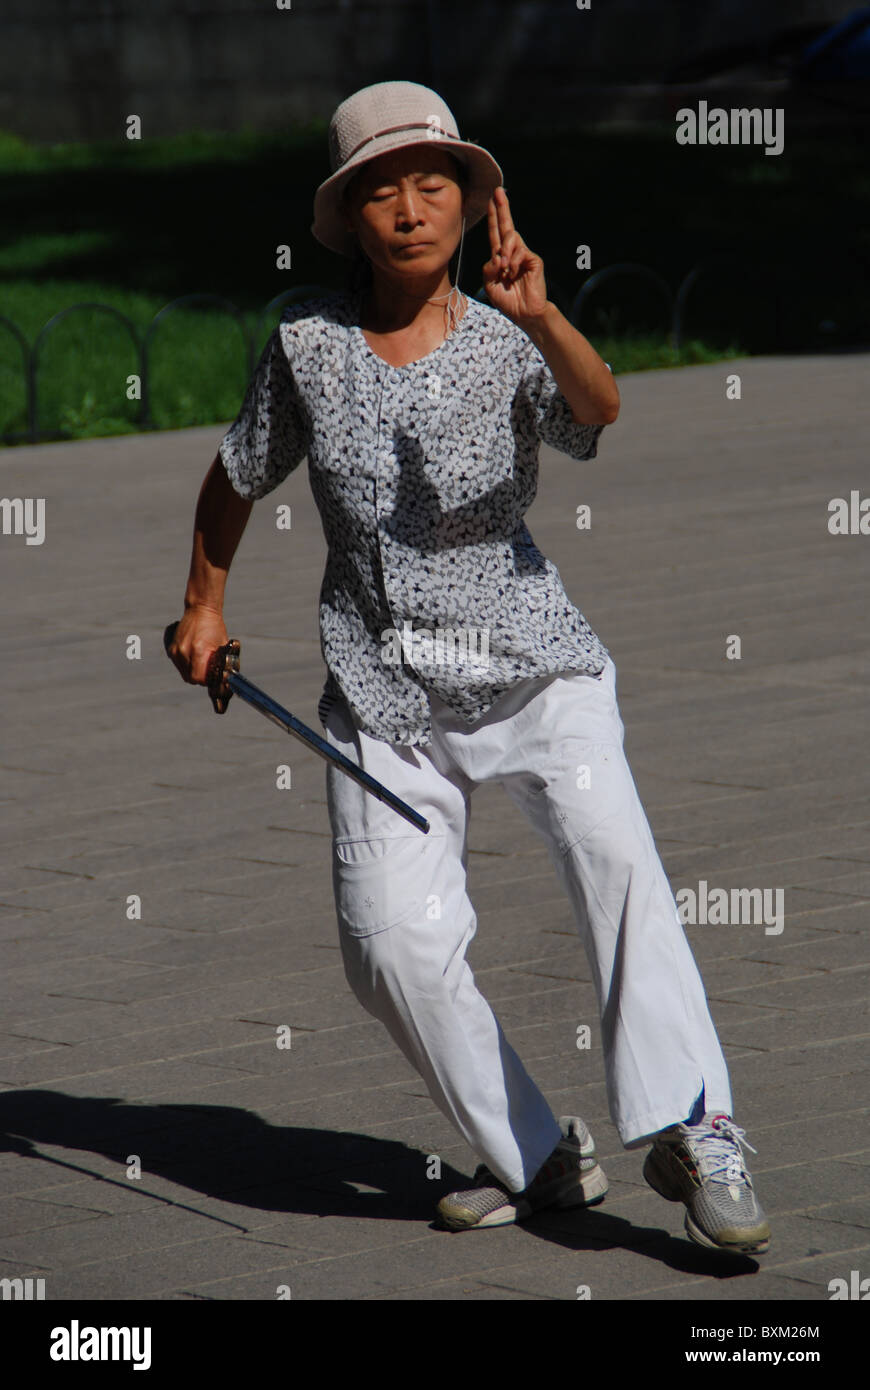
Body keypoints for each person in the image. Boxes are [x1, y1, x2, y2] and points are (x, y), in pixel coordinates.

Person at [168, 81, 770, 1255]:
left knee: (615, 858)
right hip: (382, 690)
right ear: (350, 216)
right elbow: (237, 472)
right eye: (380, 191)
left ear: (472, 199)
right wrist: (202, 600)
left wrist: (544, 318)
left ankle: (697, 1129)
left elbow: (599, 413)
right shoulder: (307, 347)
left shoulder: (509, 331)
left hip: (534, 663)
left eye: (432, 183)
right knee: (387, 943)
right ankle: (538, 1154)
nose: (408, 209)